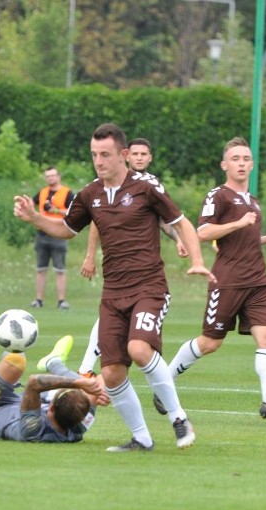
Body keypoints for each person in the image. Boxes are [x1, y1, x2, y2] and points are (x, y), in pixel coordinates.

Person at [14, 123, 216, 452]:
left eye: (105, 154)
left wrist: (195, 259)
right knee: (111, 373)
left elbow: (181, 223)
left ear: (123, 155)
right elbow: (67, 229)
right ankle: (142, 439)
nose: (99, 161)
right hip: (113, 294)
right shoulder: (90, 194)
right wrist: (34, 218)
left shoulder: (146, 187)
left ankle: (178, 418)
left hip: (149, 286)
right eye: (94, 155)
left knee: (139, 350)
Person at [154, 136, 266, 424]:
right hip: (228, 279)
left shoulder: (252, 202)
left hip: (258, 280)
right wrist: (238, 223)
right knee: (210, 342)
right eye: (235, 159)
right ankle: (163, 382)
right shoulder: (218, 195)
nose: (241, 163)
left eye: (246, 159)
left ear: (252, 164)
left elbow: (246, 239)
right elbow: (202, 232)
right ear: (224, 164)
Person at [77, 138, 186, 376]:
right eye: (135, 153)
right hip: (116, 268)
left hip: (144, 269)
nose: (139, 158)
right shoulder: (107, 183)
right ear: (126, 155)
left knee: (133, 330)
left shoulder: (150, 185)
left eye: (143, 154)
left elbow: (165, 219)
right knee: (110, 315)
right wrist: (89, 255)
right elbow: (96, 220)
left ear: (150, 158)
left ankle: (91, 367)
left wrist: (179, 240)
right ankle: (86, 367)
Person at [0, 335, 108, 443]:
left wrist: (78, 384)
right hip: (23, 404)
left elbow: (34, 382)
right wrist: (102, 392)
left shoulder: (33, 430)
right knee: (89, 391)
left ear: (51, 408)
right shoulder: (79, 424)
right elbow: (103, 378)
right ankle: (55, 363)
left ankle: (19, 337)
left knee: (16, 360)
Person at [30, 166, 74, 310]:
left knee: (59, 269)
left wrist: (55, 210)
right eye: (47, 176)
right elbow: (31, 203)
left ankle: (61, 301)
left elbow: (74, 211)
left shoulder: (66, 193)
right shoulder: (42, 192)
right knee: (40, 268)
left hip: (59, 234)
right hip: (42, 234)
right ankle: (38, 300)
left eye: (53, 175)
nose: (50, 178)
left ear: (58, 176)